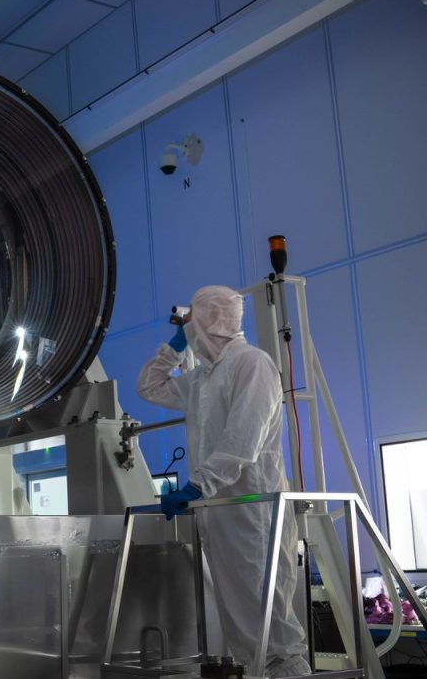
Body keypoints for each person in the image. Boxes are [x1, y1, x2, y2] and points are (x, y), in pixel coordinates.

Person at [136, 285, 311, 678]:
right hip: (220, 514)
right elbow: (148, 385)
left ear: (208, 323)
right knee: (244, 628)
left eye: (192, 324)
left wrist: (198, 486)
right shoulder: (201, 379)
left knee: (271, 626)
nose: (189, 330)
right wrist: (175, 346)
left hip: (254, 514)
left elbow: (242, 441)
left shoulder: (253, 364)